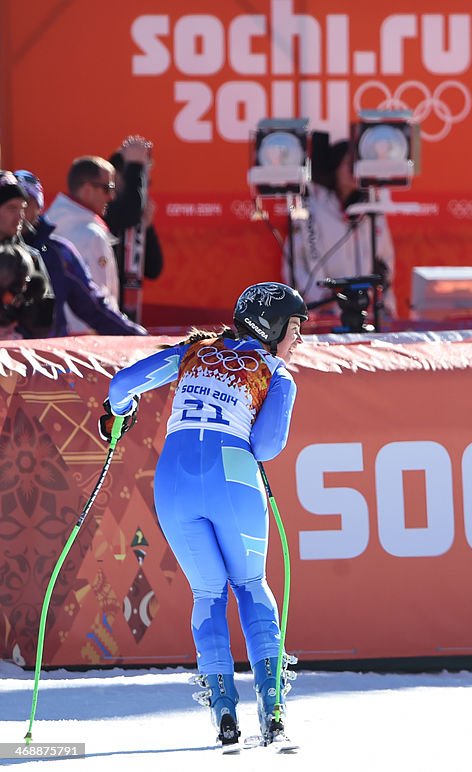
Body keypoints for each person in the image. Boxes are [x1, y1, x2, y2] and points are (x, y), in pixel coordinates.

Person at [101, 282, 307, 751]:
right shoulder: (276, 372)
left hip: (172, 479)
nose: (299, 340)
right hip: (231, 475)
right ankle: (272, 710)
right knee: (252, 586)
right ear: (273, 328)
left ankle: (224, 714)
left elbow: (120, 387)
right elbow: (267, 446)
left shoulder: (194, 348)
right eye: (295, 328)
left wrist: (119, 413)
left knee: (208, 592)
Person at [15, 170, 146, 337]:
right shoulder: (83, 234)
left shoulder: (58, 253)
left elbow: (94, 307)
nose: (19, 212)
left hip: (44, 358)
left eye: (25, 203)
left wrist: (141, 339)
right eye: (10, 205)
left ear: (38, 207)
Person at [283, 139, 395, 321]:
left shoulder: (372, 209)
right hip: (320, 315)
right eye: (348, 164)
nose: (353, 170)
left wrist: (380, 301)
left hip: (367, 313)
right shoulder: (310, 208)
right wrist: (317, 298)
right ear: (334, 168)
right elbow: (295, 262)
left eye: (357, 164)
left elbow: (385, 261)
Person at [45, 156, 122, 331]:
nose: (111, 196)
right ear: (87, 189)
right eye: (108, 188)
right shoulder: (91, 235)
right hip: (89, 340)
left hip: (53, 336)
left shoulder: (47, 223)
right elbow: (100, 301)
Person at [105, 136, 164, 322]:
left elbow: (154, 269)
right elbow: (127, 211)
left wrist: (147, 228)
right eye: (136, 182)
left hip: (125, 320)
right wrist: (135, 166)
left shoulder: (131, 215)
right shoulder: (103, 212)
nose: (141, 190)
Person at [0, 171, 54, 339]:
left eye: (22, 208)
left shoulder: (30, 258)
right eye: (11, 208)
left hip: (17, 358)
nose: (20, 217)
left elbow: (44, 326)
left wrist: (29, 303)